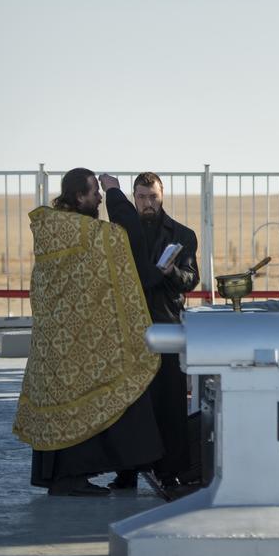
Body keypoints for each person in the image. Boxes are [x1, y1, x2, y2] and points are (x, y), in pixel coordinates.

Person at [13, 167, 163, 496]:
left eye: (99, 191)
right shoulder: (85, 231)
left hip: (56, 340)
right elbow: (128, 236)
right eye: (94, 191)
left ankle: (63, 478)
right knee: (96, 389)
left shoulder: (55, 227)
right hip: (74, 338)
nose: (97, 197)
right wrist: (115, 193)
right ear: (79, 196)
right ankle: (70, 479)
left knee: (67, 401)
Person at [99, 171, 199, 492]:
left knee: (169, 402)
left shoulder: (183, 234)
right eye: (141, 197)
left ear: (162, 194)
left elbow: (191, 279)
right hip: (129, 329)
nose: (147, 203)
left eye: (152, 196)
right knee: (131, 403)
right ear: (134, 197)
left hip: (166, 325)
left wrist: (171, 274)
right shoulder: (121, 233)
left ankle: (169, 472)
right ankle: (127, 472)